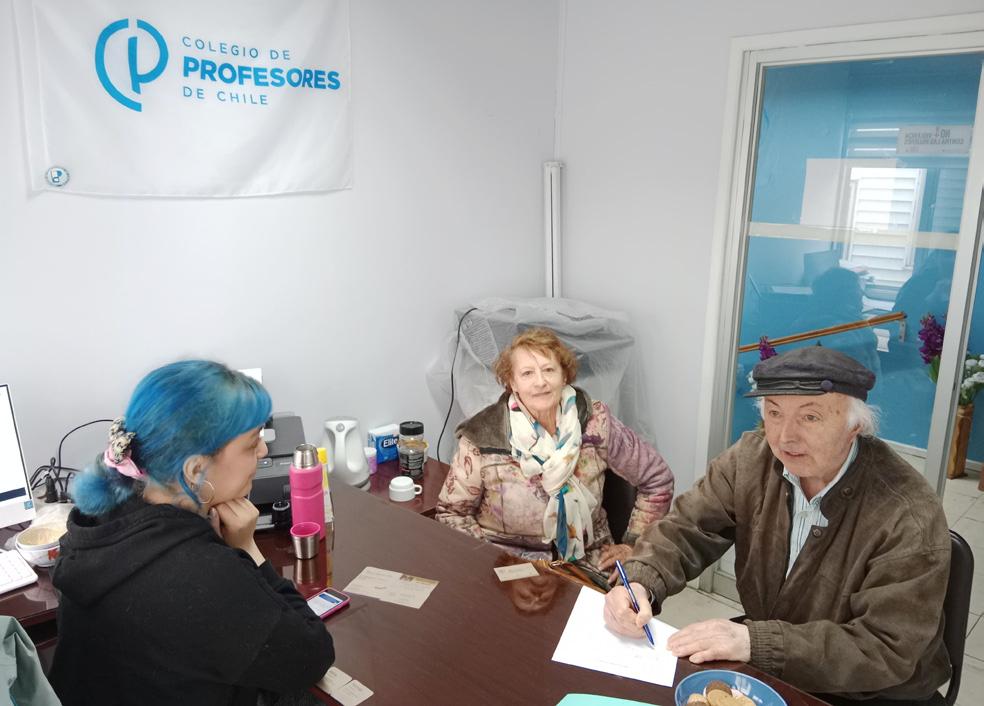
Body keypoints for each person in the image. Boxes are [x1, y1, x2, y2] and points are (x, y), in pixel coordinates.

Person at [603, 346, 951, 706]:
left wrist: (754, 642)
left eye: (810, 417)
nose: (785, 437)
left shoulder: (908, 513)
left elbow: (885, 649)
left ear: (855, 426)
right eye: (774, 412)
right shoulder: (750, 459)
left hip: (870, 692)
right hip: (775, 662)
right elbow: (688, 527)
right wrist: (641, 581)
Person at [50, 361, 334, 706]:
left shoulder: (96, 527)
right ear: (196, 469)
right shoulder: (201, 575)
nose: (263, 451)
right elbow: (311, 656)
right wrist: (248, 550)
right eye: (251, 443)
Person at [436, 327, 674, 579]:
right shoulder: (482, 435)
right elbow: (453, 513)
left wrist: (634, 545)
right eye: (527, 373)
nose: (540, 382)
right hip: (509, 565)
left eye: (549, 370)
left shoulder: (595, 422)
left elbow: (657, 479)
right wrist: (491, 566)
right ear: (512, 383)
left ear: (564, 376)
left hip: (588, 562)